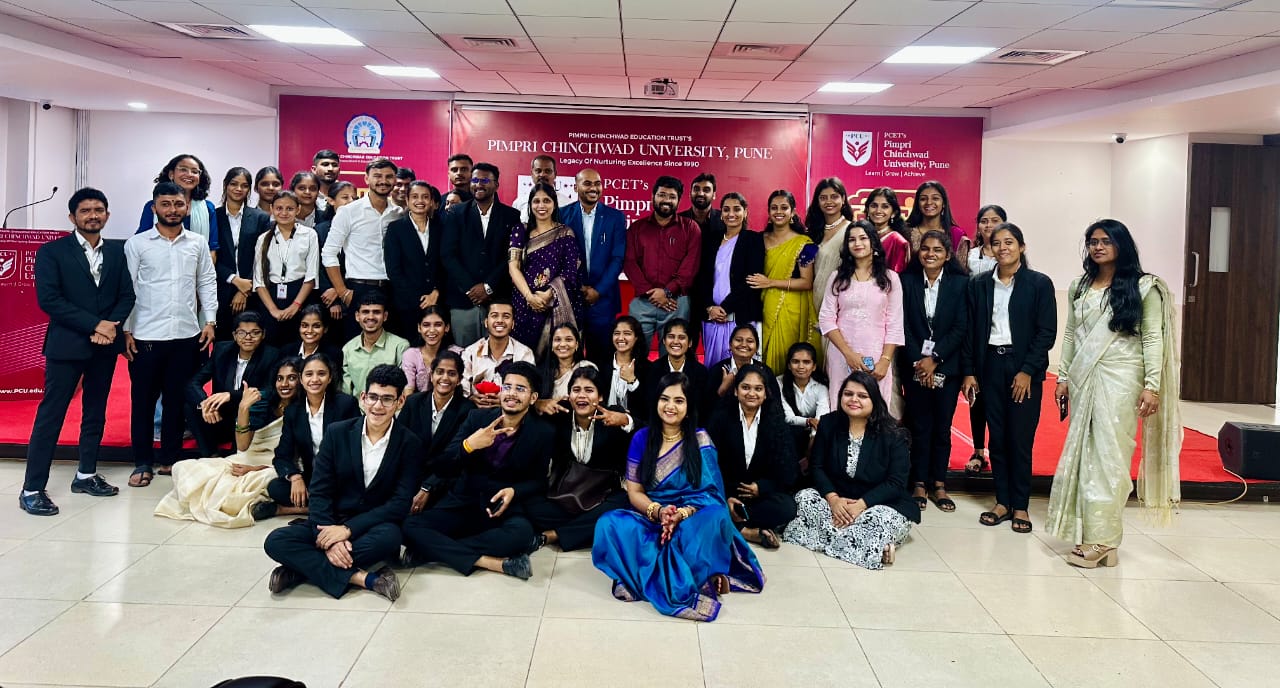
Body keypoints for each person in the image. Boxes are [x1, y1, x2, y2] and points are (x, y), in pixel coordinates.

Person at [1047, 220, 1181, 567]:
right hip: (1083, 379)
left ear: (1121, 245)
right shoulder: (1079, 286)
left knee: (1111, 458)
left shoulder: (1144, 287)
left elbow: (1152, 337)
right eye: (1093, 241)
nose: (1098, 247)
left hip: (1122, 379)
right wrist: (1063, 377)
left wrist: (1152, 386)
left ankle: (1104, 540)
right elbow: (1071, 335)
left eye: (1106, 241)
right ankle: (1092, 534)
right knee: (1086, 457)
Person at [592, 372, 765, 622]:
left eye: (679, 401)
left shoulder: (700, 439)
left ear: (688, 405)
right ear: (656, 402)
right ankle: (697, 575)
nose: (670, 406)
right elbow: (635, 491)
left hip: (692, 518)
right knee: (608, 524)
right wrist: (660, 512)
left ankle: (655, 576)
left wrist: (681, 514)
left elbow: (712, 494)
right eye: (665, 399)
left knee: (716, 516)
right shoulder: (642, 438)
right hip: (652, 517)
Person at [21, 188, 136, 516]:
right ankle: (32, 489)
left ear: (107, 215)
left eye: (99, 210)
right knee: (51, 415)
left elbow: (127, 295)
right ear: (72, 217)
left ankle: (86, 474)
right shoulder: (52, 252)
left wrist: (110, 326)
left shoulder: (117, 252)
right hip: (67, 346)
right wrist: (95, 325)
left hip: (105, 347)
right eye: (85, 211)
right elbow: (50, 300)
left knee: (95, 412)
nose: (93, 215)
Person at [263, 364, 421, 601]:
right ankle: (363, 578)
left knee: (390, 538)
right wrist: (330, 539)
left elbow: (399, 504)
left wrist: (348, 530)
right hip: (332, 518)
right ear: (363, 398)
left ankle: (299, 571)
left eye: (387, 399)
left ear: (400, 402)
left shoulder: (410, 443)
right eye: (373, 397)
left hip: (370, 525)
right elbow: (320, 490)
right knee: (275, 540)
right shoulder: (337, 433)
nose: (378, 406)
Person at [399, 362, 552, 580]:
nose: (511, 394)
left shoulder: (543, 432)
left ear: (533, 397)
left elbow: (539, 481)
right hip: (463, 500)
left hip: (500, 507)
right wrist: (469, 445)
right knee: (408, 526)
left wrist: (514, 491)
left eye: (520, 389)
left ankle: (432, 551)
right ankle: (491, 562)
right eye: (507, 387)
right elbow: (442, 466)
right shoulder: (476, 418)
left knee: (521, 535)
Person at [961, 222, 1056, 534]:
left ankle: (1021, 505)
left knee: (1020, 439)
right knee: (997, 438)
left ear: (1021, 247)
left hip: (1022, 367)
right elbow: (971, 332)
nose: (1003, 248)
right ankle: (1002, 501)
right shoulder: (979, 285)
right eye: (997, 243)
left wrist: (1027, 371)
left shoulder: (1039, 284)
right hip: (990, 365)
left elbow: (1046, 333)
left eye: (1009, 242)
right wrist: (970, 372)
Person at [124, 182, 219, 488]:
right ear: (154, 208)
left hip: (186, 334)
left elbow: (206, 282)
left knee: (177, 401)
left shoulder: (197, 243)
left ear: (186, 207)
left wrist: (210, 321)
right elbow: (128, 289)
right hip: (146, 336)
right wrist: (126, 329)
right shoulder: (137, 244)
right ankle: (142, 461)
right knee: (143, 401)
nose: (173, 210)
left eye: (178, 204)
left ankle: (170, 458)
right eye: (165, 204)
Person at [784, 371, 919, 569]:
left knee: (878, 520)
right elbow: (817, 467)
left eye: (862, 396)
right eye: (848, 394)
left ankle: (847, 538)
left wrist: (861, 505)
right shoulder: (828, 424)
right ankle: (872, 546)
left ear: (874, 400)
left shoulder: (894, 433)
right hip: (837, 498)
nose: (854, 399)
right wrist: (833, 499)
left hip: (878, 503)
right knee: (804, 499)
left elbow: (896, 483)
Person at [156, 357, 301, 527]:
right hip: (249, 457)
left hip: (279, 465)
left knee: (258, 482)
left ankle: (274, 507)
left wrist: (255, 469)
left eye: (292, 378)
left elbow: (297, 458)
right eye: (280, 378)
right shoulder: (265, 402)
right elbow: (242, 446)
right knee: (184, 468)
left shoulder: (304, 408)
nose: (284, 384)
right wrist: (243, 408)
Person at [524, 367, 633, 552]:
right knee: (531, 507)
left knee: (622, 503)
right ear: (569, 396)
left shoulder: (612, 414)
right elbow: (527, 415)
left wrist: (625, 420)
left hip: (602, 495)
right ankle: (587, 527)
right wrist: (538, 404)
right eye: (576, 390)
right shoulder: (560, 413)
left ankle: (554, 535)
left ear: (600, 397)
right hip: (566, 494)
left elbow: (645, 430)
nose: (582, 395)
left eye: (589, 390)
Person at [898, 231, 968, 513]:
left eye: (937, 250)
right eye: (925, 249)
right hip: (915, 366)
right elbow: (902, 325)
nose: (930, 254)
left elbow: (961, 327)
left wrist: (935, 359)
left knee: (941, 426)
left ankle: (938, 483)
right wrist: (920, 361)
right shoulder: (906, 282)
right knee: (919, 425)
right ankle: (918, 482)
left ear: (948, 255)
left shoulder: (960, 284)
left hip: (946, 367)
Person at [256, 353, 360, 521]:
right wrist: (295, 477)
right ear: (301, 379)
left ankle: (286, 510)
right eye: (309, 374)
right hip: (314, 478)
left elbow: (357, 449)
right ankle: (323, 506)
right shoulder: (293, 411)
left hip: (342, 478)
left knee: (356, 495)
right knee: (276, 487)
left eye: (321, 373)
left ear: (330, 378)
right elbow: (282, 455)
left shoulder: (346, 404)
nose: (315, 379)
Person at [707, 364, 798, 549]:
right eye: (745, 387)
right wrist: (727, 496)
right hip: (726, 492)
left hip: (758, 497)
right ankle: (745, 531)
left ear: (765, 394)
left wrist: (761, 487)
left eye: (758, 389)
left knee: (787, 507)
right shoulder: (720, 419)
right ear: (736, 391)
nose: (751, 393)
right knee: (704, 505)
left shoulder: (776, 421)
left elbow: (787, 470)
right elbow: (710, 465)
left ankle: (733, 522)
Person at [818, 220, 904, 413]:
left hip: (877, 355)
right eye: (852, 239)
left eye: (863, 238)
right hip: (842, 354)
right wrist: (848, 354)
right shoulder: (837, 278)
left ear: (873, 242)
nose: (857, 243)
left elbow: (895, 324)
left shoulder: (890, 278)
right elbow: (826, 319)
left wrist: (885, 360)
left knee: (874, 407)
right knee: (843, 404)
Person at [320, 158, 404, 340]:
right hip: (358, 288)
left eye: (389, 176)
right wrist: (342, 292)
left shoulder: (398, 213)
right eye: (377, 176)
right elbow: (329, 253)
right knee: (356, 344)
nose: (383, 181)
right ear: (366, 179)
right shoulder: (348, 211)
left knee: (390, 344)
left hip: (392, 289)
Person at [442, 162, 521, 346]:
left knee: (498, 353)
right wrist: (471, 287)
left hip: (498, 298)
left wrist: (488, 286)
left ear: (496, 185)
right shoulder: (456, 213)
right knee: (464, 354)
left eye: (485, 180)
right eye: (475, 180)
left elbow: (510, 257)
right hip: (463, 299)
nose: (478, 184)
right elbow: (448, 254)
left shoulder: (511, 216)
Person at [623, 176, 701, 354]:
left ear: (679, 200)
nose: (666, 200)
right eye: (662, 195)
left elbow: (690, 266)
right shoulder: (636, 228)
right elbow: (630, 263)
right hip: (643, 302)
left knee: (673, 356)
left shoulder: (690, 228)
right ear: (653, 196)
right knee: (636, 354)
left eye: (672, 196)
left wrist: (667, 292)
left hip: (676, 303)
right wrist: (652, 294)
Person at [186, 311, 280, 457]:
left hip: (250, 415)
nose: (248, 337)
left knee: (255, 409)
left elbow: (270, 391)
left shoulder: (272, 355)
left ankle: (239, 454)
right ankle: (210, 455)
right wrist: (205, 404)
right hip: (221, 415)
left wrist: (231, 395)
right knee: (191, 406)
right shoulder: (222, 350)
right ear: (234, 335)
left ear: (263, 334)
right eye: (242, 333)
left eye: (255, 333)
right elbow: (194, 382)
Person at [749, 189, 821, 374]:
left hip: (790, 308)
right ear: (768, 212)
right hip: (762, 305)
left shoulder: (805, 244)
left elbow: (806, 282)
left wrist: (770, 282)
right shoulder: (758, 239)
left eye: (784, 207)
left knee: (785, 355)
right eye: (774, 208)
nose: (778, 212)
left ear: (793, 212)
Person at [508, 182, 585, 356]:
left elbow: (570, 271)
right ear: (530, 204)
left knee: (556, 355)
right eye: (536, 201)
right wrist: (529, 297)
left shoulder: (565, 233)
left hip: (556, 303)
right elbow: (513, 267)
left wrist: (549, 294)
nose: (541, 206)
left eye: (546, 201)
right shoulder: (521, 230)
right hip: (524, 303)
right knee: (523, 355)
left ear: (554, 204)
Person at [559, 168, 627, 362]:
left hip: (603, 300)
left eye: (597, 183)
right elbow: (559, 257)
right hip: (571, 297)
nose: (593, 188)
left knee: (602, 358)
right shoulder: (562, 215)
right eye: (587, 183)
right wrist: (577, 286)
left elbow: (617, 258)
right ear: (575, 187)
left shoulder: (615, 217)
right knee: (569, 356)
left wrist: (598, 290)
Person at [401, 350, 476, 512]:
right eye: (440, 372)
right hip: (410, 477)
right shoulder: (413, 402)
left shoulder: (468, 410)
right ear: (431, 375)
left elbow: (457, 457)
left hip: (445, 481)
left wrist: (428, 486)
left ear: (459, 380)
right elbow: (399, 444)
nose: (445, 378)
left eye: (452, 373)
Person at [696, 192, 764, 366]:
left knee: (742, 369)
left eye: (736, 209)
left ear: (745, 212)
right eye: (726, 210)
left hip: (739, 316)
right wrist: (710, 307)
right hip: (712, 318)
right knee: (714, 368)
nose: (731, 214)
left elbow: (751, 279)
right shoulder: (711, 239)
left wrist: (725, 308)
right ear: (721, 213)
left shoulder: (753, 240)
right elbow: (702, 277)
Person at [965, 204, 1007, 475]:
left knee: (1000, 400)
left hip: (1001, 333)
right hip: (975, 330)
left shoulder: (1009, 255)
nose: (989, 225)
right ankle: (978, 451)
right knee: (976, 395)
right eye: (984, 221)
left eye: (995, 220)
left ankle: (1000, 450)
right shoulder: (969, 255)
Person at [252, 191, 321, 348]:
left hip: (300, 295)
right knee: (271, 346)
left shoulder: (309, 235)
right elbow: (259, 280)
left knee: (297, 345)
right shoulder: (263, 238)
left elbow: (311, 276)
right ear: (271, 209)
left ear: (298, 210)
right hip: (270, 297)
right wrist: (273, 310)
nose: (284, 213)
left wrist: (295, 305)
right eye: (279, 208)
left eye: (289, 209)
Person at [214, 167, 272, 341]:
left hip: (253, 291)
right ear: (225, 185)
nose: (238, 189)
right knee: (223, 341)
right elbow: (210, 256)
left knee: (251, 340)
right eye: (234, 184)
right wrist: (234, 279)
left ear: (249, 189)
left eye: (244, 185)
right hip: (221, 289)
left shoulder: (260, 217)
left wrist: (245, 290)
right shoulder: (214, 216)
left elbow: (263, 256)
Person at [384, 180, 444, 344]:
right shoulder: (396, 229)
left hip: (437, 301)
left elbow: (445, 264)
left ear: (431, 201)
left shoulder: (441, 227)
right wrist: (419, 299)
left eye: (425, 197)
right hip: (406, 304)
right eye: (415, 197)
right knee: (409, 348)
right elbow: (393, 270)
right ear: (407, 200)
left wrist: (436, 292)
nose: (420, 201)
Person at [137, 154, 219, 256]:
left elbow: (212, 250)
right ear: (171, 174)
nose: (189, 174)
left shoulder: (208, 208)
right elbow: (141, 243)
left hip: (198, 265)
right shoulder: (153, 206)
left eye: (194, 172)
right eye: (183, 169)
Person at [459, 299, 534, 407]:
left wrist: (505, 401)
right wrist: (471, 398)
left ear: (513, 324)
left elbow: (528, 389)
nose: (500, 320)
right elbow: (462, 385)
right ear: (486, 322)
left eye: (506, 316)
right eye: (494, 316)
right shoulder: (470, 352)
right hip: (475, 410)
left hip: (512, 410)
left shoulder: (524, 353)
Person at [803, 178, 854, 332]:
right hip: (813, 302)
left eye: (834, 196)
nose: (829, 202)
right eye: (823, 198)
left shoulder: (851, 230)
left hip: (841, 303)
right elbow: (806, 267)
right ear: (817, 202)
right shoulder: (813, 232)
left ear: (843, 199)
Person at [340, 291, 410, 396]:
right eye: (365, 312)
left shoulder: (400, 346)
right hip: (357, 406)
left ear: (385, 316)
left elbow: (405, 388)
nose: (371, 317)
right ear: (357, 316)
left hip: (388, 405)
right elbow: (346, 391)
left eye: (376, 312)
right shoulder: (348, 349)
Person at [314, 180, 358, 337]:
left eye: (354, 198)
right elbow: (317, 265)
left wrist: (340, 290)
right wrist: (332, 295)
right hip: (326, 297)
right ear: (331, 201)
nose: (351, 202)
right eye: (345, 197)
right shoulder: (319, 230)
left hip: (352, 292)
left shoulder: (361, 229)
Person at [645, 318, 708, 424]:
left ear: (690, 343)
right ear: (664, 341)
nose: (675, 342)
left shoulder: (700, 372)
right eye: (671, 336)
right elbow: (650, 406)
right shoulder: (653, 369)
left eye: (681, 337)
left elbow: (701, 408)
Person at [778, 341, 829, 462]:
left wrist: (812, 440)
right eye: (795, 361)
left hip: (814, 435)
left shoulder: (821, 387)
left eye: (806, 362)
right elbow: (787, 417)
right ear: (789, 365)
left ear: (814, 366)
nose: (801, 366)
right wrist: (808, 421)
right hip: (789, 434)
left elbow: (821, 419)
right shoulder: (779, 383)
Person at [534, 323, 597, 416]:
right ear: (551, 345)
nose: (563, 344)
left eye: (568, 339)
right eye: (557, 340)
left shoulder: (586, 367)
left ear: (576, 344)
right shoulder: (541, 371)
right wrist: (538, 403)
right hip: (546, 421)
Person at [707, 324, 772, 406]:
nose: (744, 345)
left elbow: (775, 406)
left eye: (750, 341)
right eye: (738, 340)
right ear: (730, 344)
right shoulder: (717, 370)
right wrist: (723, 389)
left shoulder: (765, 371)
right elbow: (706, 408)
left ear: (757, 347)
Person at [905, 181, 968, 265]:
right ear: (917, 204)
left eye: (935, 198)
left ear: (944, 203)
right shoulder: (905, 233)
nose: (929, 202)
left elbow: (961, 269)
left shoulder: (956, 234)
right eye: (923, 199)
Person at [599, 315, 650, 419]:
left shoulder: (648, 368)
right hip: (603, 421)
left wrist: (632, 381)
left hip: (635, 423)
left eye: (627, 333)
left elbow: (648, 405)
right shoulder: (601, 366)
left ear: (636, 338)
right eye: (617, 333)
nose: (621, 338)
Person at [400, 306, 458, 395]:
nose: (431, 330)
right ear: (419, 328)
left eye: (438, 325)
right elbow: (408, 390)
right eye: (426, 325)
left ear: (446, 327)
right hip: (417, 402)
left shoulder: (457, 353)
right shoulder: (411, 355)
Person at [289, 305, 344, 385]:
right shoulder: (287, 352)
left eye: (316, 326)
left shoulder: (334, 355)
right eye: (305, 325)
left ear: (325, 329)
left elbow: (334, 385)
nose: (309, 330)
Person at [514, 155, 574, 222]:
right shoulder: (519, 202)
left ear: (555, 174)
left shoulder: (567, 203)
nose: (542, 174)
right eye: (538, 171)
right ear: (532, 174)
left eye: (547, 171)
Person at [865, 187, 911, 273]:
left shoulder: (898, 241)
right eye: (874, 206)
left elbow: (897, 275)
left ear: (893, 213)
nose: (878, 211)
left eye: (885, 207)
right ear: (867, 210)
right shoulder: (862, 235)